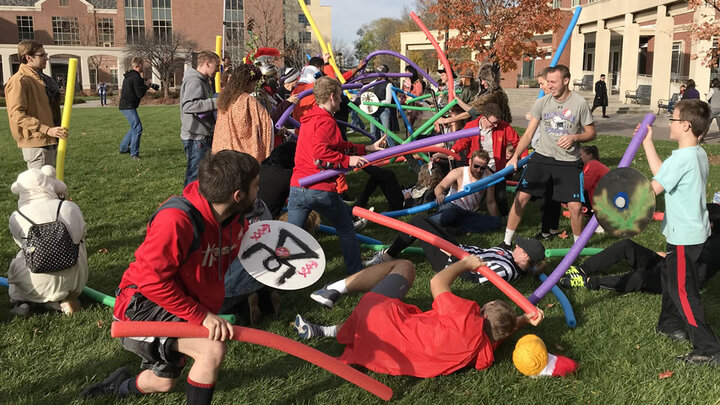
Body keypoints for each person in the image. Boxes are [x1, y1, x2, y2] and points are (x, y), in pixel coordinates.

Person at [79, 150, 260, 403]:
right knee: (211, 349)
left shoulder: (236, 220)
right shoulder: (176, 221)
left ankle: (117, 385)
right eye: (256, 186)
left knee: (163, 383)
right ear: (237, 195)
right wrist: (202, 316)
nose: (259, 191)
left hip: (184, 305)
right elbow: (152, 282)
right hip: (140, 307)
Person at [293, 254, 544, 378]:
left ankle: (334, 289)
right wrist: (521, 320)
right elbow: (493, 339)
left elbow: (437, 281)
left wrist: (466, 264)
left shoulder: (465, 316)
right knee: (380, 326)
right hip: (385, 354)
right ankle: (323, 331)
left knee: (405, 267)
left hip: (379, 317)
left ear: (483, 311)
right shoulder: (482, 356)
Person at [641, 99, 720, 366]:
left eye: (672, 119)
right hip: (691, 232)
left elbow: (652, 189)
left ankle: (708, 349)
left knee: (684, 292)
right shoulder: (695, 153)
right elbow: (664, 175)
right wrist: (647, 143)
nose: (670, 123)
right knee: (672, 279)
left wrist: (617, 202)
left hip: (684, 236)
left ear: (685, 125)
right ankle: (669, 324)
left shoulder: (683, 158)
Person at [287, 76, 385, 275]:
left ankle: (282, 273)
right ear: (332, 97)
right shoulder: (326, 122)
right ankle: (356, 272)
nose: (341, 101)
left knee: (291, 235)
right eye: (340, 97)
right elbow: (320, 154)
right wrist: (348, 161)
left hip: (298, 187)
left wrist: (366, 148)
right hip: (319, 188)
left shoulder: (311, 117)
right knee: (346, 228)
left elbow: (337, 146)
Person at [503, 64, 596, 247]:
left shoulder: (579, 103)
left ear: (566, 81)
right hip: (542, 157)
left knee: (575, 207)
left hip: (568, 160)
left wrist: (575, 137)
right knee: (521, 197)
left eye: (553, 82)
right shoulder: (542, 102)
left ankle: (577, 250)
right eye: (549, 82)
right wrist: (515, 157)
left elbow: (591, 133)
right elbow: (529, 134)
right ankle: (506, 242)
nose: (550, 85)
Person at [559, 204, 720, 293]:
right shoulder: (704, 234)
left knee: (640, 277)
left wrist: (669, 257)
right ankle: (581, 268)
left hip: (674, 281)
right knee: (627, 245)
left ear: (710, 224)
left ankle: (589, 282)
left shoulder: (712, 247)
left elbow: (686, 266)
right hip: (668, 264)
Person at [363, 212, 546, 285]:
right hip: (457, 248)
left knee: (418, 224)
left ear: (524, 255)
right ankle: (387, 256)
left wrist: (449, 254)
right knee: (421, 219)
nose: (516, 244)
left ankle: (386, 258)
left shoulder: (506, 270)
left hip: (450, 261)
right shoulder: (510, 256)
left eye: (520, 245)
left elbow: (471, 279)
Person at [7, 165, 87, 317]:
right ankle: (64, 299)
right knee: (79, 245)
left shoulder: (17, 216)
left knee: (19, 258)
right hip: (75, 282)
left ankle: (22, 301)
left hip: (36, 284)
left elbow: (23, 248)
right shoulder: (70, 207)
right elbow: (82, 234)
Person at [5, 40, 66, 169]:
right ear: (29, 57)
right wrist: (47, 130)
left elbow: (43, 106)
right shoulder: (20, 81)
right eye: (42, 55)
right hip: (36, 142)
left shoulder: (41, 79)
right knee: (39, 187)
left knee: (48, 184)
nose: (46, 58)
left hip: (50, 138)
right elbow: (17, 114)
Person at [213, 64, 275, 163]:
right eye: (255, 81)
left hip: (223, 148)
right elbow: (265, 121)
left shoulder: (226, 98)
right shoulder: (247, 100)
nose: (255, 85)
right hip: (241, 152)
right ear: (247, 82)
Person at [429, 150, 501, 233]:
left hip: (467, 213)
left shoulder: (489, 177)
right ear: (470, 162)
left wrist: (494, 218)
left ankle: (454, 229)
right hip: (452, 206)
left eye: (482, 168)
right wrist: (440, 195)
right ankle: (427, 222)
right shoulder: (459, 172)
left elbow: (490, 201)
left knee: (495, 222)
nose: (478, 170)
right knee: (449, 215)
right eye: (476, 166)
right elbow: (439, 187)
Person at [180, 50, 220, 186]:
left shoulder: (203, 81)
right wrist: (216, 102)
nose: (218, 70)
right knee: (194, 177)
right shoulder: (195, 81)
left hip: (202, 135)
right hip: (196, 137)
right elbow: (188, 105)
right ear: (207, 64)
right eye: (217, 66)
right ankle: (189, 204)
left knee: (201, 175)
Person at [118, 57, 152, 159]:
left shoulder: (130, 76)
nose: (144, 66)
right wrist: (146, 86)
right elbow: (139, 94)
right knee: (138, 128)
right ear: (139, 65)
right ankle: (134, 154)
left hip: (125, 105)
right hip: (128, 106)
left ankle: (123, 148)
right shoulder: (135, 77)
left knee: (134, 127)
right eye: (142, 64)